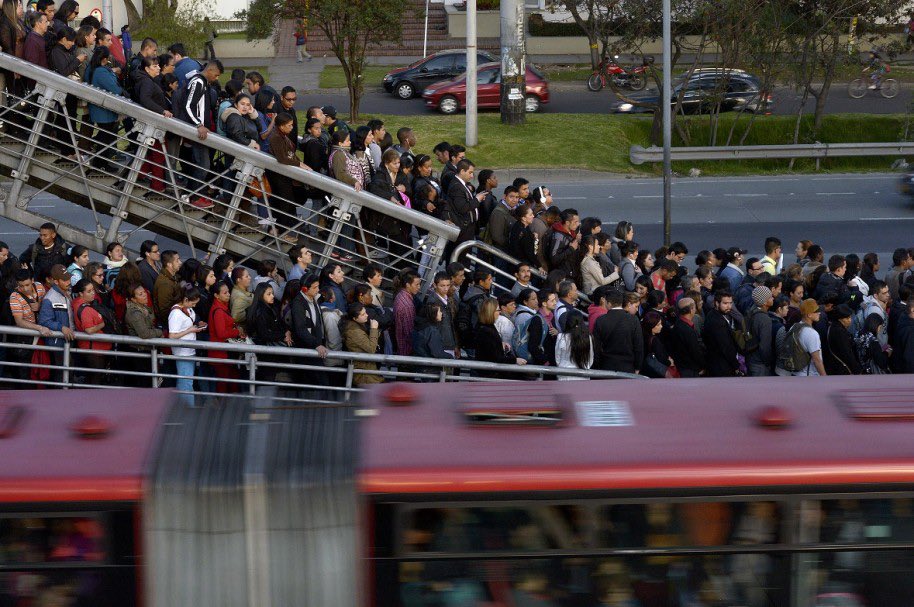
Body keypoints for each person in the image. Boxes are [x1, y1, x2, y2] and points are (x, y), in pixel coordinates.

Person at [246, 282, 292, 384]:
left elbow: (280, 323)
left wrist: (286, 331)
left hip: (267, 351)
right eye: (269, 294)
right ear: (261, 295)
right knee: (267, 379)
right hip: (265, 352)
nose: (272, 296)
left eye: (272, 293)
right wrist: (284, 335)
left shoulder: (269, 307)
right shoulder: (261, 312)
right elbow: (264, 334)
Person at [168, 286, 206, 406]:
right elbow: (172, 336)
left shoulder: (186, 309)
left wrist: (197, 324)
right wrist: (190, 330)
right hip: (183, 352)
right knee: (186, 383)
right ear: (185, 299)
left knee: (185, 382)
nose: (194, 306)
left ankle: (183, 408)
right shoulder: (176, 314)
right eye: (193, 303)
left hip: (189, 350)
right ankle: (188, 409)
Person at [592, 289, 642, 374]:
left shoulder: (600, 320)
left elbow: (596, 347)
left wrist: (596, 367)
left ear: (609, 303)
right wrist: (638, 367)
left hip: (606, 367)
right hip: (628, 367)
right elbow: (638, 346)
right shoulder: (633, 320)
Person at [122, 282, 161, 385]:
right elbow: (144, 333)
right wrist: (160, 332)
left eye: (144, 292)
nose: (144, 295)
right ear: (133, 299)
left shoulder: (143, 307)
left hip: (146, 350)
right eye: (140, 294)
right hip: (140, 351)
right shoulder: (135, 313)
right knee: (145, 382)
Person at [474, 299, 526, 377]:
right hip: (490, 375)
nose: (500, 312)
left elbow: (490, 348)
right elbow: (495, 357)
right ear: (491, 312)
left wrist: (500, 343)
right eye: (498, 310)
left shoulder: (485, 326)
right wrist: (515, 360)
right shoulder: (486, 330)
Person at [776, 298, 827, 377]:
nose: (819, 313)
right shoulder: (811, 333)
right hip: (809, 376)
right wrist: (824, 376)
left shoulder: (795, 326)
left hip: (795, 373)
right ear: (809, 314)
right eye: (816, 311)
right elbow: (817, 360)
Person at [342, 302, 383, 386]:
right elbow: (371, 348)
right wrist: (374, 329)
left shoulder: (357, 326)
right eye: (363, 314)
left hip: (366, 369)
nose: (367, 315)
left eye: (366, 312)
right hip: (364, 374)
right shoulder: (354, 332)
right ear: (354, 318)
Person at [702, 290, 740, 377]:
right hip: (721, 367)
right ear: (717, 303)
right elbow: (726, 346)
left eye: (730, 303)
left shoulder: (713, 314)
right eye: (725, 303)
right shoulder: (717, 322)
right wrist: (736, 365)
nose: (729, 306)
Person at [669, 296, 705, 377]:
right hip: (689, 370)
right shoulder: (687, 330)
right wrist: (702, 365)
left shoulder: (678, 324)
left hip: (683, 367)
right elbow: (695, 351)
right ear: (692, 309)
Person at [825, 304, 863, 375]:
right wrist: (857, 370)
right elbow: (847, 353)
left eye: (850, 317)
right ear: (839, 319)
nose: (850, 320)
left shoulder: (833, 327)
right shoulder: (839, 332)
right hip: (842, 369)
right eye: (847, 318)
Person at [555, 311, 593, 379]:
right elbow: (590, 358)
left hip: (564, 374)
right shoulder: (588, 337)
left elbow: (557, 357)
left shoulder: (561, 337)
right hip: (583, 375)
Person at [746, 286, 774, 376]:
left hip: (750, 359)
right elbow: (764, 346)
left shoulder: (751, 312)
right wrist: (768, 362)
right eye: (770, 297)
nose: (772, 298)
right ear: (765, 302)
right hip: (760, 364)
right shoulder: (764, 319)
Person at [393, 269, 421, 356]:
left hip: (402, 347)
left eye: (419, 284)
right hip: (407, 350)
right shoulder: (407, 305)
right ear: (408, 285)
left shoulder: (400, 295)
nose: (419, 287)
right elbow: (409, 332)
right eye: (416, 284)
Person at [153, 250, 182, 326]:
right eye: (177, 260)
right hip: (171, 322)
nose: (180, 262)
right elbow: (165, 310)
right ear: (169, 264)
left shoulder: (173, 276)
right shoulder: (165, 284)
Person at [641, 310, 672, 378]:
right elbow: (661, 358)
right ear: (651, 326)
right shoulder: (654, 340)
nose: (661, 326)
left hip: (645, 371)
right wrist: (669, 362)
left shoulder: (642, 336)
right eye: (658, 325)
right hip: (656, 374)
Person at [229, 266, 254, 333]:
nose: (250, 278)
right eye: (246, 276)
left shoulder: (240, 290)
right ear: (238, 280)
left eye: (249, 275)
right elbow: (236, 317)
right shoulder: (240, 297)